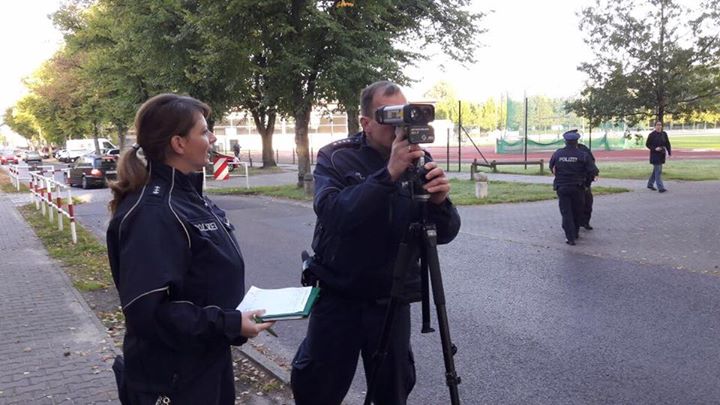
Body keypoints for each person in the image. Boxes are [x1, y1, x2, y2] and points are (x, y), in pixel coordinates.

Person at [290, 81, 461, 405]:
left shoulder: (420, 159)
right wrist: (388, 174)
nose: (401, 127)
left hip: (389, 300)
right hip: (338, 297)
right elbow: (334, 214)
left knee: (392, 391)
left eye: (407, 115)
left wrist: (440, 202)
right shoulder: (336, 157)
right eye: (391, 117)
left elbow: (446, 232)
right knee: (318, 388)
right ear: (365, 123)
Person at [106, 93, 274, 404]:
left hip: (205, 362)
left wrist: (232, 323)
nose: (212, 139)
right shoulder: (152, 213)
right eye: (204, 131)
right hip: (173, 380)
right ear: (178, 143)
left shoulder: (189, 196)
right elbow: (150, 314)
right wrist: (230, 322)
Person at [549, 129, 598, 245]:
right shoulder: (583, 155)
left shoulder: (558, 153)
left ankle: (569, 237)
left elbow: (551, 167)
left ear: (565, 141)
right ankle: (575, 232)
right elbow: (593, 170)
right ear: (577, 142)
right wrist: (588, 180)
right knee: (577, 210)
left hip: (562, 187)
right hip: (578, 187)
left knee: (566, 212)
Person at [577, 141, 598, 230]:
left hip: (585, 181)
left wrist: (592, 176)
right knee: (577, 204)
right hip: (576, 182)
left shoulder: (583, 149)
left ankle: (585, 222)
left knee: (588, 203)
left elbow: (591, 162)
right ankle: (577, 223)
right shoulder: (565, 151)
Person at [646, 121, 672, 193]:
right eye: (657, 125)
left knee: (656, 171)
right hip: (655, 155)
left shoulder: (664, 134)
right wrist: (654, 148)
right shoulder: (652, 135)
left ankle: (650, 184)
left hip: (662, 154)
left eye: (660, 125)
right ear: (655, 126)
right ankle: (661, 188)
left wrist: (669, 152)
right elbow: (648, 144)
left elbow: (667, 143)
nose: (659, 126)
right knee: (658, 171)